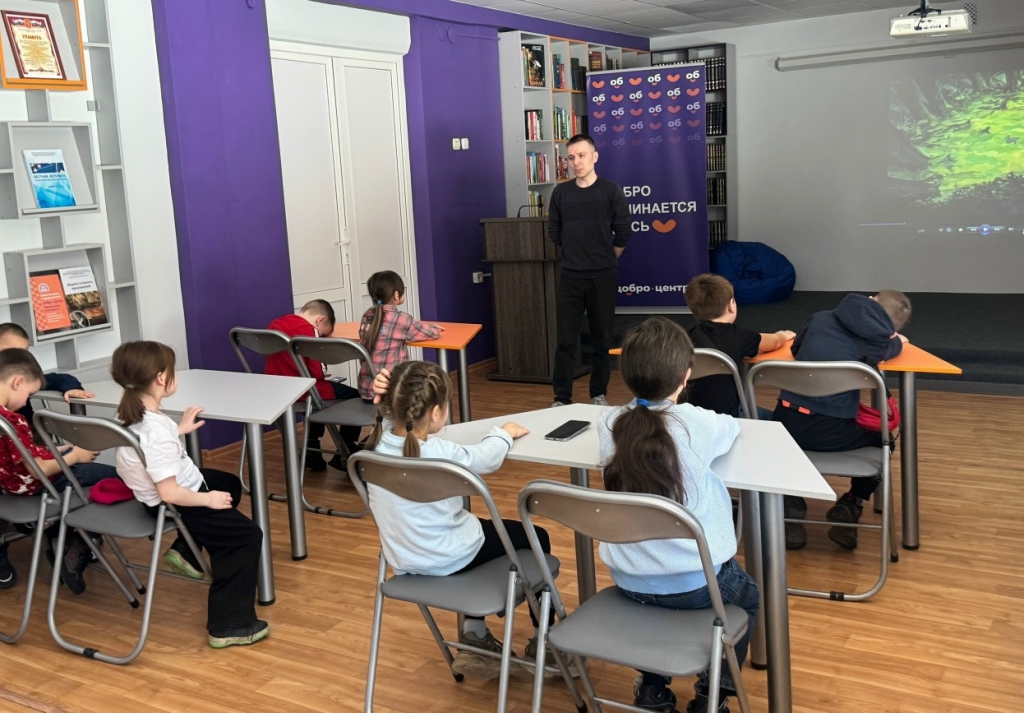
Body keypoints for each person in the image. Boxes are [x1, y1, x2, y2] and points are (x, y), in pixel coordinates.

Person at [598, 317, 759, 713]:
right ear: (686, 376)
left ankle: (652, 689)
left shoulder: (608, 423)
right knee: (750, 599)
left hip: (629, 578)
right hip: (696, 583)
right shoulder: (697, 423)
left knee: (654, 606)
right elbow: (732, 427)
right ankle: (711, 695)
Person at [365, 361, 555, 679]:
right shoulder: (441, 453)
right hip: (451, 555)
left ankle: (475, 637)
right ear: (436, 412)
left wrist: (384, 402)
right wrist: (504, 433)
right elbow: (486, 457)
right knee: (536, 537)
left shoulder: (373, 447)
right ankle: (544, 643)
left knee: (476, 528)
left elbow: (387, 424)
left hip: (404, 559)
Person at [112, 341, 268, 649]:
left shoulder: (131, 415)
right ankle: (229, 625)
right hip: (177, 501)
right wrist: (208, 499)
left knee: (228, 483)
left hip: (166, 493)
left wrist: (177, 430)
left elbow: (152, 449)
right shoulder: (155, 432)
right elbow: (170, 491)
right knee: (245, 537)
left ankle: (187, 549)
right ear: (161, 378)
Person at [773, 291, 912, 551]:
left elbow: (796, 350)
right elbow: (894, 347)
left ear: (870, 299)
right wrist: (897, 341)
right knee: (884, 440)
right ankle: (852, 504)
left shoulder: (819, 318)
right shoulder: (876, 343)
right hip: (832, 431)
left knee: (776, 430)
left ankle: (791, 502)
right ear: (890, 328)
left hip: (786, 424)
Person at [0, 348, 117, 594]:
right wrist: (74, 456)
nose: (26, 401)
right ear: (17, 382)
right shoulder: (14, 420)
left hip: (8, 486)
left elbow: (17, 455)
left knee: (78, 462)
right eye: (29, 394)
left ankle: (69, 537)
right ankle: (68, 538)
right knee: (115, 478)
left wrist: (54, 451)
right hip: (38, 485)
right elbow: (37, 471)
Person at [548, 133, 631, 408]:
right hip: (571, 276)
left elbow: (623, 232)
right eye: (571, 157)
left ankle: (598, 394)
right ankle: (562, 398)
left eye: (581, 155)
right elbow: (554, 232)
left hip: (603, 275)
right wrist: (577, 254)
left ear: (595, 156)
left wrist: (605, 257)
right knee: (565, 340)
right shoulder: (561, 193)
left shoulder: (610, 191)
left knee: (602, 340)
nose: (576, 162)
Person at [265, 299, 361, 472]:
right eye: (323, 334)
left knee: (315, 397)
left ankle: (311, 449)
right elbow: (318, 372)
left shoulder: (275, 324)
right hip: (302, 390)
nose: (321, 337)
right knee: (356, 396)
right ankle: (345, 450)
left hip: (276, 389)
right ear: (320, 320)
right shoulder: (308, 331)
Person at [682, 275, 795, 418]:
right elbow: (773, 342)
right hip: (730, 416)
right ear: (730, 305)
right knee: (777, 419)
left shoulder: (684, 337)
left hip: (691, 415)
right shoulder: (740, 335)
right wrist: (782, 335)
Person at [358, 270, 441, 402]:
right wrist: (433, 327)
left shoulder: (367, 315)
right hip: (391, 395)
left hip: (366, 391)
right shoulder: (401, 320)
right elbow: (431, 333)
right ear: (397, 295)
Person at [0, 323, 95, 425]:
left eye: (23, 353)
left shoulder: (25, 375)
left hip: (27, 428)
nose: (16, 358)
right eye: (8, 351)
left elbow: (59, 379)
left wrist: (71, 388)